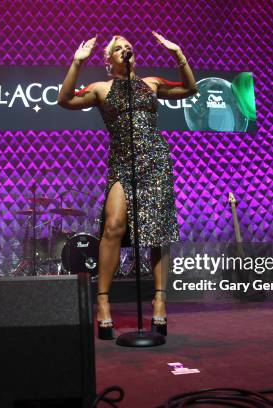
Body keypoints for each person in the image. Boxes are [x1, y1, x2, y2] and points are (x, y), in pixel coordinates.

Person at [57, 32, 197, 339]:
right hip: (122, 161)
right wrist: (76, 63)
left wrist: (178, 54)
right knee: (113, 225)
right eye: (118, 49)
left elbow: (190, 88)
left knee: (157, 231)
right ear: (108, 60)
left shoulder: (151, 83)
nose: (124, 51)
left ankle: (159, 301)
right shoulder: (100, 88)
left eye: (128, 48)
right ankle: (103, 303)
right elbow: (64, 100)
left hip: (155, 160)